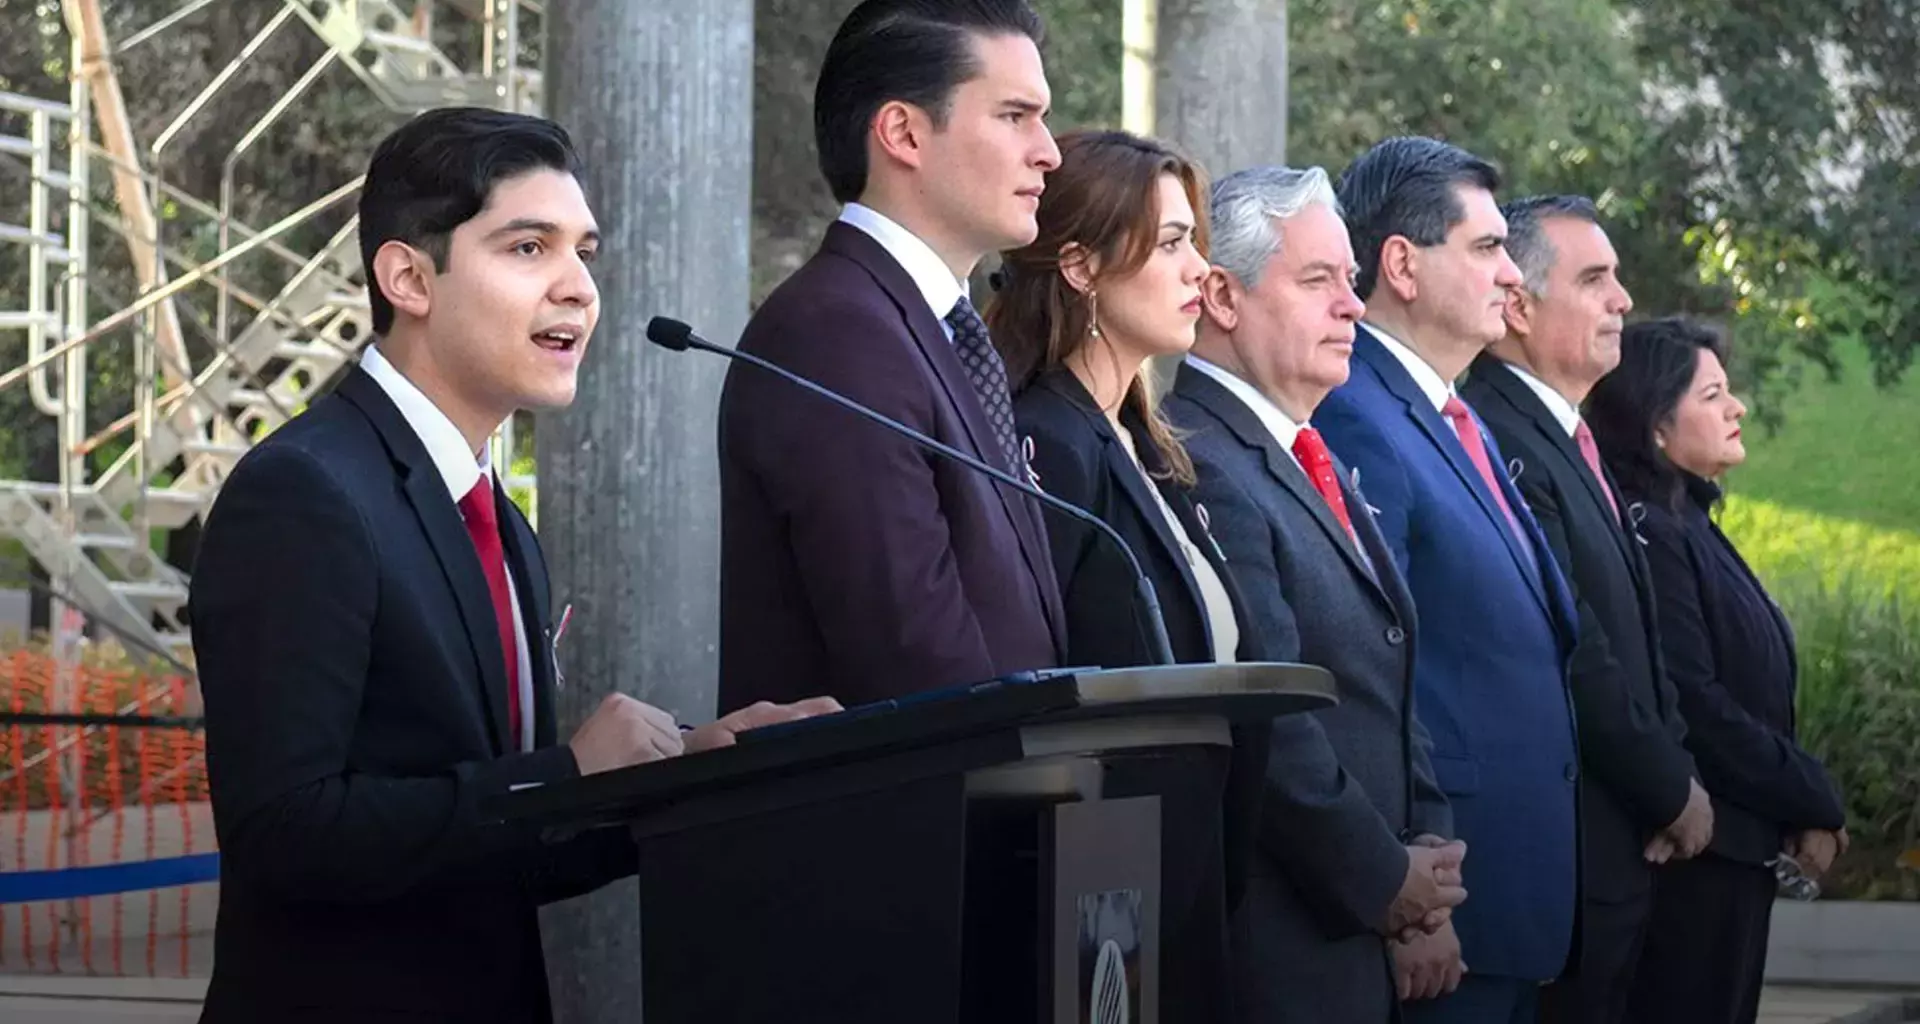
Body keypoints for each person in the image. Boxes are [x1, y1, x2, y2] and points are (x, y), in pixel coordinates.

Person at [188, 108, 838, 1024]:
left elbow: (501, 847)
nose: (578, 288)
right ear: (409, 277)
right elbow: (285, 836)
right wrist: (566, 775)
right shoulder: (304, 494)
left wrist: (702, 770)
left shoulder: (497, 520)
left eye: (585, 251)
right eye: (529, 248)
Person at [1161, 163, 1465, 1023]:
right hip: (1285, 949)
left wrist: (1426, 871)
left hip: (1363, 939)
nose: (1355, 306)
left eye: (1353, 281)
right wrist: (1385, 885)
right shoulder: (1198, 459)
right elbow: (1271, 713)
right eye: (1319, 279)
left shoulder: (1309, 451)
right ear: (1222, 295)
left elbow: (1392, 676)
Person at [717, 0, 1066, 711]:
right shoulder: (835, 333)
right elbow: (912, 657)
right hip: (907, 809)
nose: (1049, 151)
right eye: (1013, 116)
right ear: (904, 132)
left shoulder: (938, 326)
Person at [1311, 137, 1580, 1022]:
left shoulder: (1451, 413)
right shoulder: (1356, 415)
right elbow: (1367, 671)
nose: (1513, 275)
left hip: (1508, 892)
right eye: (1488, 247)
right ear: (1402, 265)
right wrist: (1411, 896)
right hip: (1442, 905)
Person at [986, 128, 1251, 1024]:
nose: (1200, 273)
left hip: (1179, 873)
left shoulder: (1150, 448)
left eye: (1197, 242)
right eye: (1172, 244)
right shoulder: (1046, 442)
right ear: (1080, 266)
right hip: (1094, 889)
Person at [1459, 195, 1713, 1023]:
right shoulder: (1497, 436)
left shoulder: (1568, 434)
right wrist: (1670, 791)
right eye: (1596, 278)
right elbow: (1578, 646)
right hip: (1571, 860)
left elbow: (1640, 635)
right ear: (1521, 307)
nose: (1624, 300)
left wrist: (1672, 769)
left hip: (1618, 849)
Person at [1585, 317, 1849, 1024]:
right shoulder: (1654, 532)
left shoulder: (1690, 520)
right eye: (1712, 395)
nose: (1737, 408)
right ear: (1655, 426)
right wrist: (1813, 796)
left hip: (1738, 858)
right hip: (1693, 867)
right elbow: (1698, 704)